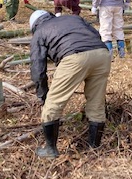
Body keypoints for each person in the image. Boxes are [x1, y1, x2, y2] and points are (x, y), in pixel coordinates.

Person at [29, 10, 111, 158]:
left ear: (34, 26)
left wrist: (43, 96)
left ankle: (50, 150)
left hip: (74, 57)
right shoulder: (74, 18)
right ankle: (93, 149)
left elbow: (38, 69)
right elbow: (95, 34)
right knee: (96, 103)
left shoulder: (39, 32)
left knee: (53, 105)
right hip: (102, 54)